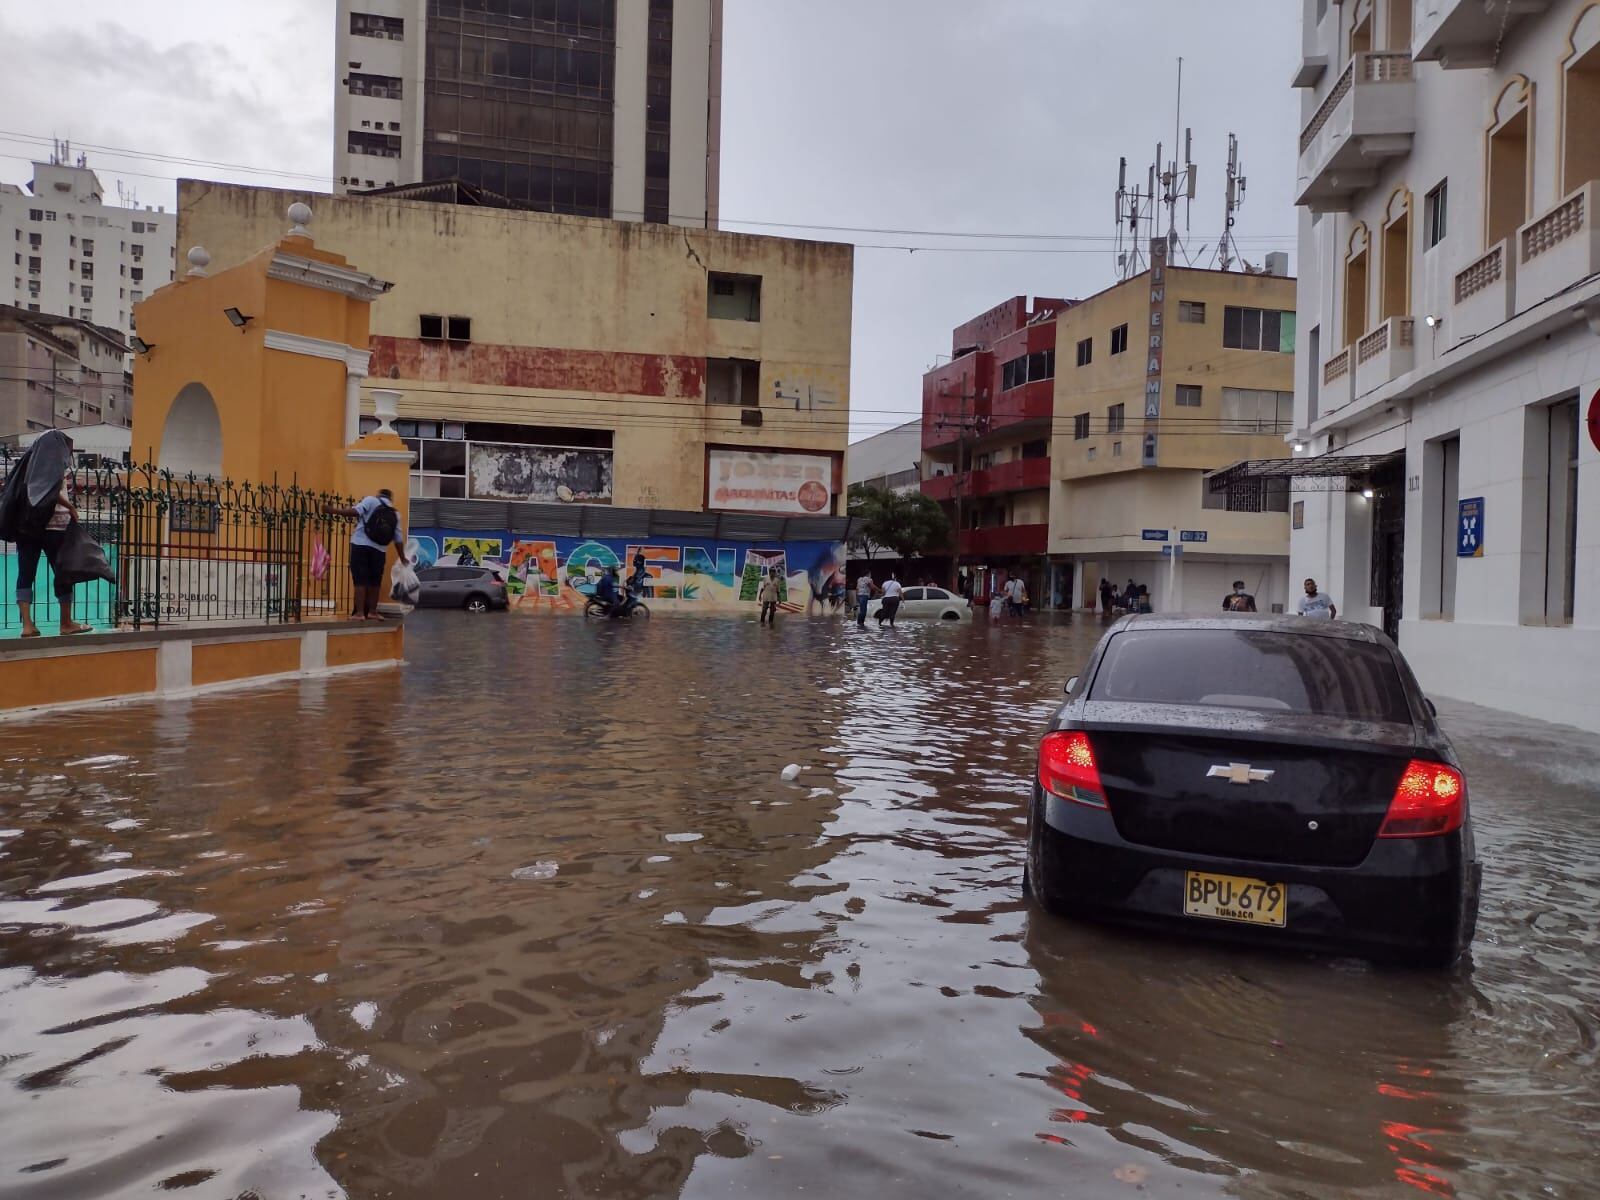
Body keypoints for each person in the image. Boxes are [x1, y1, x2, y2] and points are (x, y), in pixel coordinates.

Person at [15, 453, 90, 638]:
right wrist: (70, 507)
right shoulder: (53, 462)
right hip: (54, 527)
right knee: (63, 574)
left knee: (25, 574)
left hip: (28, 527)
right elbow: (50, 491)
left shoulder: (28, 463)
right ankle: (66, 623)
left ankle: (27, 625)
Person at [329, 487, 409, 620]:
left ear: (379, 495)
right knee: (375, 581)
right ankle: (372, 612)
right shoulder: (395, 514)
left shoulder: (371, 500)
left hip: (360, 544)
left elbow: (355, 511)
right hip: (380, 550)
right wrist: (402, 557)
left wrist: (335, 511)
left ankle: (360, 613)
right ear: (390, 499)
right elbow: (398, 539)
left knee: (360, 579)